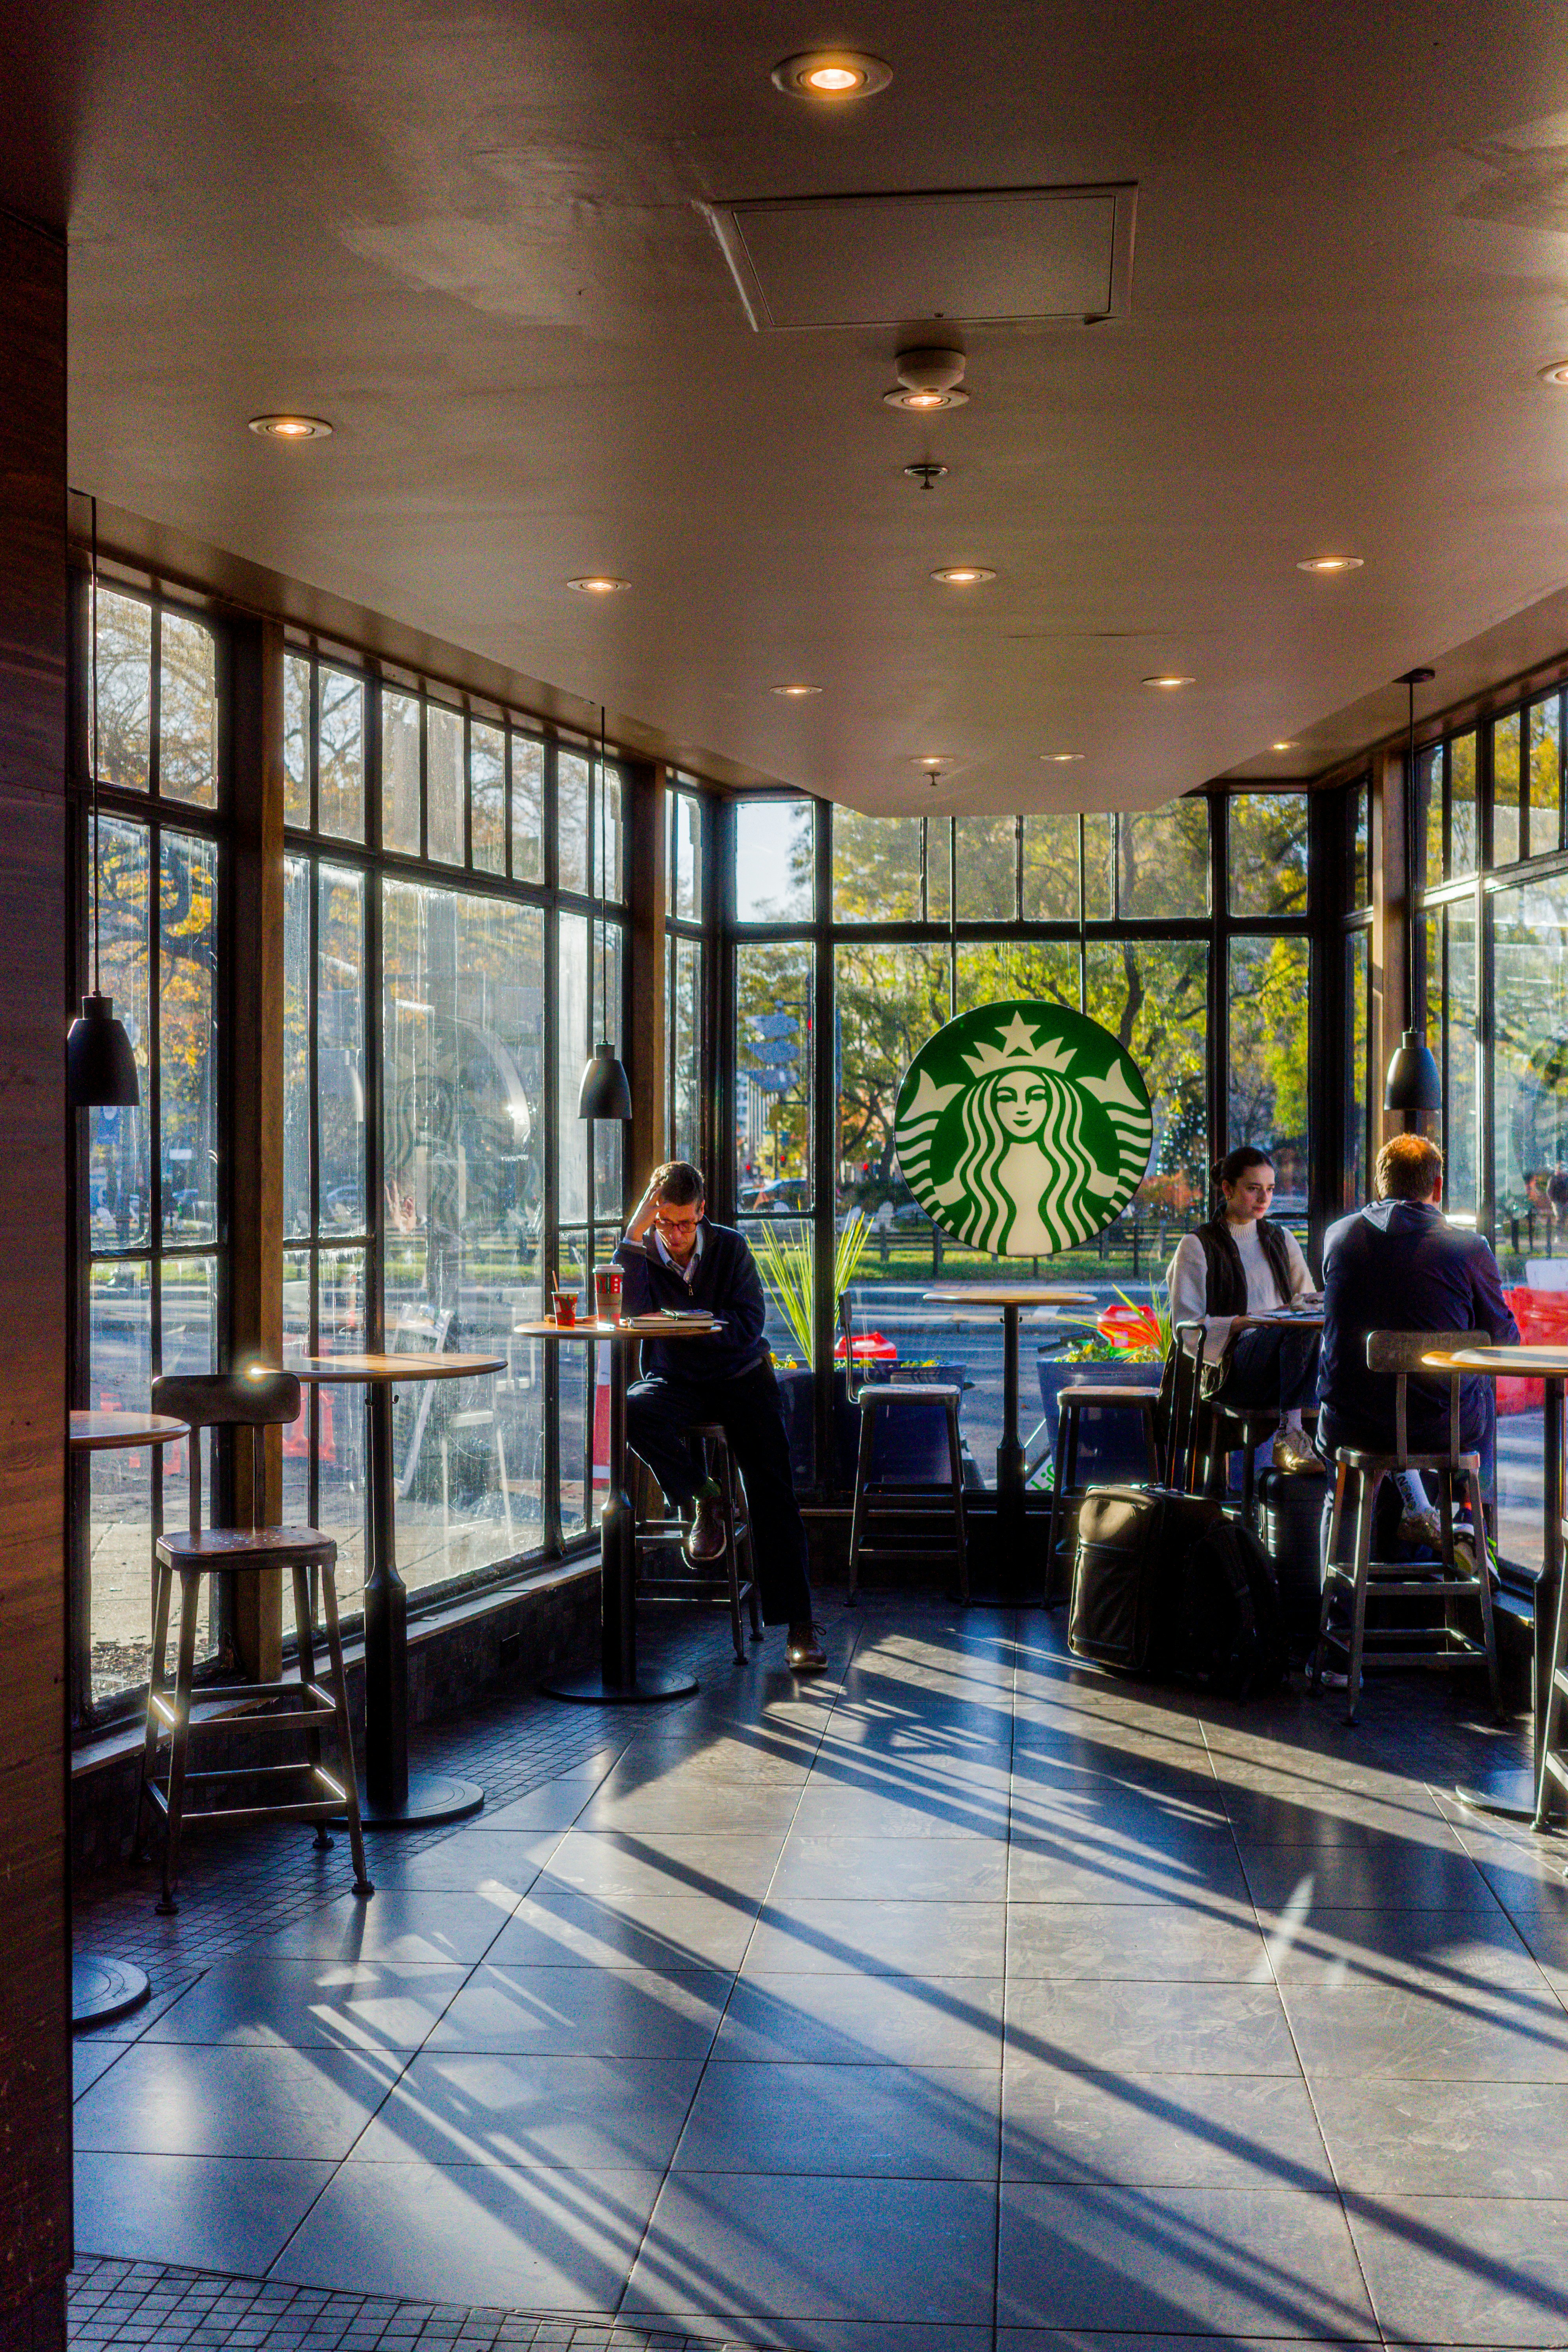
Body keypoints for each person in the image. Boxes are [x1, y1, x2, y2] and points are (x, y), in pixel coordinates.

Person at [614, 1160, 826, 1673]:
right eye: (665, 1222)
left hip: (739, 1378)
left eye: (686, 1222)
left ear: (702, 1211)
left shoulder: (730, 1247)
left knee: (773, 1490)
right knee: (630, 1411)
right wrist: (633, 1235)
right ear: (653, 1214)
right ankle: (702, 1495)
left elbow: (750, 1324)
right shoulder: (645, 1250)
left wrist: (698, 1333)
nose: (677, 1234)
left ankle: (799, 1625)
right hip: (677, 1382)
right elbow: (626, 1314)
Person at [1318, 1132, 1518, 1536]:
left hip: (1350, 1424)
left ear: (1379, 1185)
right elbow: (1504, 1338)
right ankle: (1470, 1519)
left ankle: (1337, 1595)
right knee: (1479, 1386)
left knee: (1337, 1490)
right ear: (1438, 1187)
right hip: (1439, 1429)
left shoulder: (1338, 1237)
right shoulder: (1468, 1248)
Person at [1166, 1145, 1321, 1476]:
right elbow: (1187, 1329)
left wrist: (1307, 1306)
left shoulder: (1281, 1239)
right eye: (1253, 1189)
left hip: (1281, 1365)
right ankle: (1291, 1434)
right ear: (1227, 1189)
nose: (1264, 1198)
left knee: (1311, 1327)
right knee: (1292, 1328)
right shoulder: (1197, 1246)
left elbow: (1307, 1303)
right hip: (1230, 1370)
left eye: (1270, 1189)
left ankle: (1306, 1439)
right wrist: (1245, 1322)